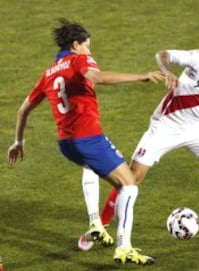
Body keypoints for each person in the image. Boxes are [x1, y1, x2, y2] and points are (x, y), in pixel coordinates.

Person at [78, 37, 199, 251]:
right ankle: (99, 228)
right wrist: (168, 71)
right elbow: (163, 54)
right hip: (165, 125)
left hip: (196, 128)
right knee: (130, 179)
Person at [7, 18, 164, 265]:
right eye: (87, 46)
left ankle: (95, 223)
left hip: (67, 143)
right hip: (88, 137)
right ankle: (124, 247)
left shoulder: (48, 73)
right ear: (76, 45)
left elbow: (22, 110)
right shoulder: (79, 59)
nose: (90, 51)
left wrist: (18, 142)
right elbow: (97, 78)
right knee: (129, 185)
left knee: (91, 166)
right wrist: (140, 76)